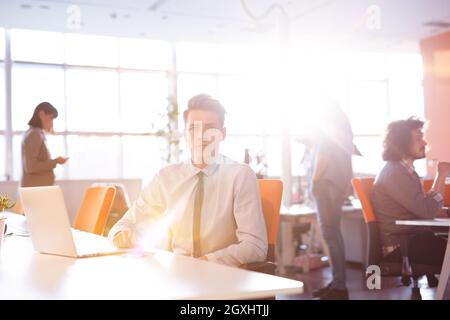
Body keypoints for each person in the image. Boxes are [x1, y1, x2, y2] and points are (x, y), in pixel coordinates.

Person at [108, 94, 267, 266]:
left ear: (222, 134)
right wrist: (121, 234)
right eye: (193, 128)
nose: (201, 136)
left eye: (210, 128)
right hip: (177, 275)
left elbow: (255, 246)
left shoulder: (240, 175)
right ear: (185, 133)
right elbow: (124, 224)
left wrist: (207, 261)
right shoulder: (166, 177)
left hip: (220, 276)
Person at [371, 118, 450, 277]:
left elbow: (426, 208)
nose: (425, 142)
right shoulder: (395, 174)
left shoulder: (405, 172)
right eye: (418, 138)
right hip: (403, 248)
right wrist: (441, 175)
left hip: (413, 241)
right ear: (402, 143)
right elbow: (428, 211)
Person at [309, 101, 354, 300]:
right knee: (335, 235)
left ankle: (339, 287)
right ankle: (338, 283)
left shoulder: (327, 131)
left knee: (330, 235)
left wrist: (314, 182)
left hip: (325, 184)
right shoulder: (342, 133)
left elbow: (323, 158)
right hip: (337, 184)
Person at [20, 102, 68, 188]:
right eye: (51, 118)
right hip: (35, 191)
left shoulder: (36, 133)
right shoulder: (34, 134)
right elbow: (31, 167)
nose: (52, 123)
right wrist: (55, 161)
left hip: (38, 189)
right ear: (41, 114)